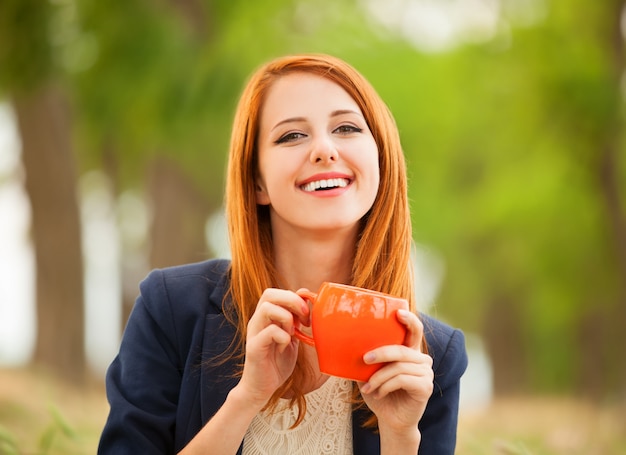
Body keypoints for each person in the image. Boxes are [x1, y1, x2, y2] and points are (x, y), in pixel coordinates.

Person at [98, 53, 468, 455]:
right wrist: (247, 398)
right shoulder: (170, 309)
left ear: (380, 159)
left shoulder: (431, 357)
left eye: (346, 128)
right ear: (257, 181)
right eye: (292, 136)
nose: (325, 150)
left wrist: (399, 436)